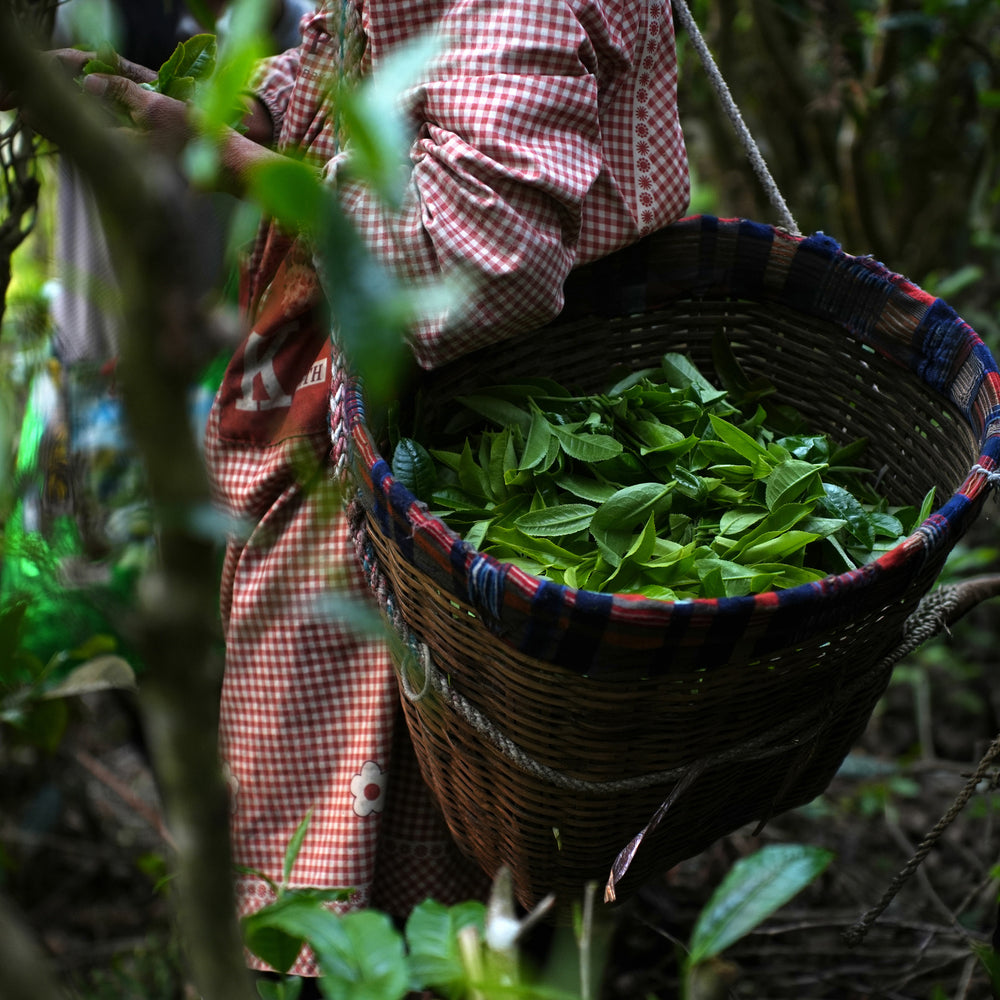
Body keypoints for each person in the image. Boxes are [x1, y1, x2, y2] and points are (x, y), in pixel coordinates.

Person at [36, 0, 690, 982]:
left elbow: (479, 259)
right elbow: (351, 58)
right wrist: (223, 112)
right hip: (352, 406)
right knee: (320, 823)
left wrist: (229, 158)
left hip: (472, 443)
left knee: (420, 869)